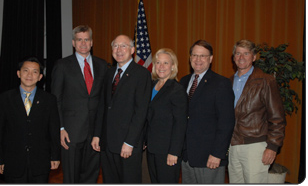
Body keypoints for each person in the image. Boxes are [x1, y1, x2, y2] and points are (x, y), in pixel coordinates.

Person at [51, 25, 108, 183]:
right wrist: (61, 128)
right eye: (79, 40)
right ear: (73, 43)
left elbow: (104, 100)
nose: (83, 43)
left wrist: (100, 131)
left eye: (86, 39)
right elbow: (56, 99)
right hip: (71, 132)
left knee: (91, 175)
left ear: (91, 42)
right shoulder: (62, 65)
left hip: (95, 133)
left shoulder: (102, 65)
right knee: (71, 177)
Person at [92, 35, 151, 183]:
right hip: (107, 143)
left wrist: (130, 142)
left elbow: (141, 112)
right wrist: (97, 135)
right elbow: (103, 107)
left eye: (123, 46)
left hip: (127, 144)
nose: (119, 50)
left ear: (132, 50)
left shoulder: (141, 74)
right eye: (115, 46)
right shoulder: (109, 73)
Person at [0, 56, 60, 183]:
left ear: (40, 77)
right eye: (26, 70)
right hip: (12, 161)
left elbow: (54, 130)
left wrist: (55, 156)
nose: (30, 75)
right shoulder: (4, 99)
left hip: (40, 162)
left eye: (35, 71)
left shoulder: (49, 100)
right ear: (18, 73)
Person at [228, 39, 286, 183]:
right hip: (232, 146)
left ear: (254, 57)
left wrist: (272, 147)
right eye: (238, 53)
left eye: (246, 53)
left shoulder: (266, 81)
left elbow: (277, 117)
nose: (241, 57)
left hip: (255, 147)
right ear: (234, 57)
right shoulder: (227, 82)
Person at [180, 40, 235, 184]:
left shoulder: (221, 84)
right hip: (186, 155)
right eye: (194, 55)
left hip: (209, 157)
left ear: (210, 59)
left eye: (203, 56)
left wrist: (217, 154)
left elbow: (226, 123)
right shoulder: (183, 81)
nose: (198, 60)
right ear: (190, 58)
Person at [145, 48, 188, 183]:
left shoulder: (177, 90)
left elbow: (180, 123)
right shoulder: (151, 86)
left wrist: (174, 151)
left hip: (168, 150)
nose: (161, 66)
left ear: (173, 66)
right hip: (151, 148)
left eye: (166, 63)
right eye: (158, 62)